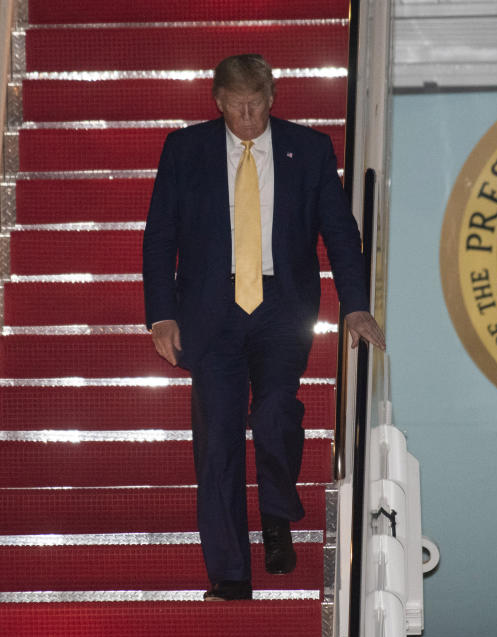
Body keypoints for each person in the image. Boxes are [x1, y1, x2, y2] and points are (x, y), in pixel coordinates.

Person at [142, 53, 385, 601]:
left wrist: (354, 303)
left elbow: (341, 233)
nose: (248, 117)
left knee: (276, 412)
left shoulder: (311, 149)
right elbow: (160, 235)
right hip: (210, 308)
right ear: (219, 101)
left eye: (257, 105)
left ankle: (276, 514)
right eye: (237, 106)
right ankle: (229, 573)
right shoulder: (185, 149)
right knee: (219, 438)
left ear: (273, 99)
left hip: (282, 304)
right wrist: (161, 313)